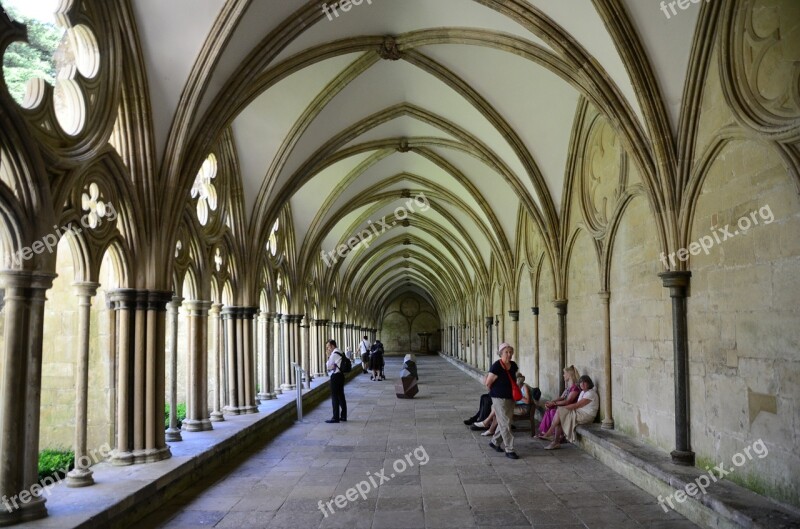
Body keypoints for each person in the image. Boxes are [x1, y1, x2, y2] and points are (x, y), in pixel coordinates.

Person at [483, 342, 520, 459]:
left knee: (506, 422)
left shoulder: (513, 365)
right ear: (501, 353)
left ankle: (494, 442)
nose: (509, 355)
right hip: (499, 398)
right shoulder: (497, 366)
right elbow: (488, 383)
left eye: (510, 352)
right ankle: (509, 449)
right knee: (505, 423)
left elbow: (516, 378)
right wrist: (494, 394)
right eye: (506, 352)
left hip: (510, 398)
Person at [544, 375, 599, 450]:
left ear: (589, 383)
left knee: (560, 412)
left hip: (586, 416)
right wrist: (561, 408)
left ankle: (550, 434)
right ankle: (555, 441)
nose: (582, 384)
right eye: (581, 382)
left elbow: (577, 405)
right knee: (560, 414)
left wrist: (562, 408)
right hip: (579, 412)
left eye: (585, 382)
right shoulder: (583, 392)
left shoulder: (591, 393)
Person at [536, 365, 581, 440]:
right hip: (564, 407)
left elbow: (568, 401)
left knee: (553, 411)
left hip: (570, 409)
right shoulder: (569, 387)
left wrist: (553, 404)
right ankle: (545, 432)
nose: (563, 375)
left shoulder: (575, 388)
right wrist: (551, 402)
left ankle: (557, 435)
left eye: (564, 373)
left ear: (569, 375)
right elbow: (561, 397)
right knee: (549, 410)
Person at [324, 339, 347, 423]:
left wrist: (328, 356)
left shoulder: (333, 354)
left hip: (335, 377)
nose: (327, 349)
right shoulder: (340, 351)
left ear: (332, 346)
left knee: (334, 397)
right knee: (341, 396)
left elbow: (328, 367)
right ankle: (343, 416)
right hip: (341, 376)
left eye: (328, 347)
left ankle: (335, 417)